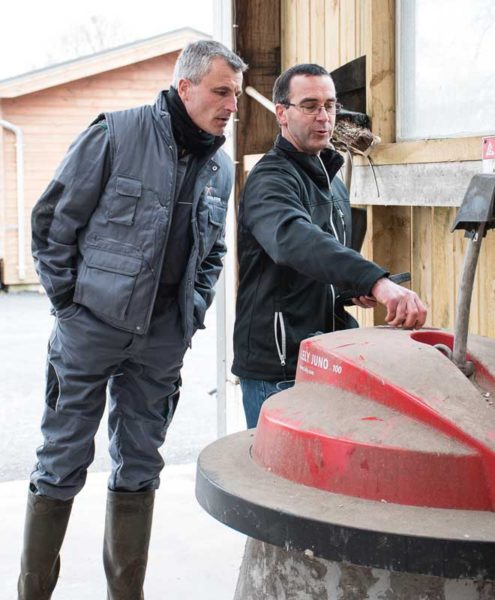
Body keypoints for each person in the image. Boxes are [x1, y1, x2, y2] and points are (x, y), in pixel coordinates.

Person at [18, 40, 247, 600]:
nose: (231, 106)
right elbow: (53, 222)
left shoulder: (218, 166)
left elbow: (213, 253)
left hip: (162, 339)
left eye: (237, 96)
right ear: (185, 86)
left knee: (141, 462)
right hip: (91, 327)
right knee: (62, 458)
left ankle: (126, 594)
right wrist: (70, 305)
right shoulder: (116, 134)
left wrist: (190, 314)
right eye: (221, 92)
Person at [232, 63, 427, 428]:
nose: (323, 117)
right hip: (280, 363)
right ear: (281, 113)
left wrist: (351, 290)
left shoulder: (331, 181)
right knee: (277, 481)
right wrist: (374, 281)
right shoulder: (270, 180)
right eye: (309, 105)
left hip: (328, 352)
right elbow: (296, 241)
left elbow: (318, 267)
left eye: (330, 105)